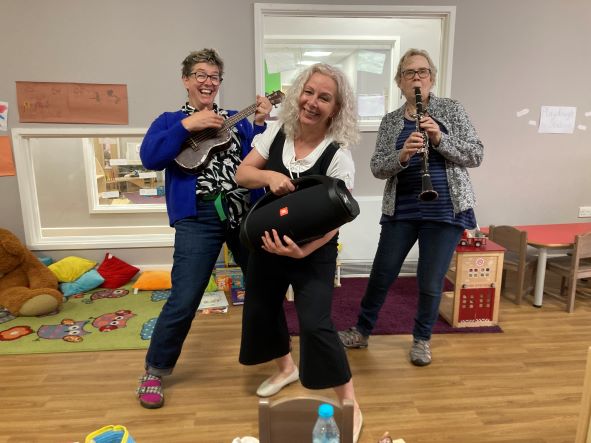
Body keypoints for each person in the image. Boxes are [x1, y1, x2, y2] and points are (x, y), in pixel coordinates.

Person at [136, 48, 272, 409]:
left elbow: (259, 155)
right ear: (186, 80)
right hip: (198, 217)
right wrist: (187, 126)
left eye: (214, 76)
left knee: (264, 286)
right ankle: (154, 370)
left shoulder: (235, 119)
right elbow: (150, 157)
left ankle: (279, 360)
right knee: (184, 298)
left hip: (245, 211)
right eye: (200, 74)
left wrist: (259, 123)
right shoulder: (168, 120)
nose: (208, 82)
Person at [236, 63, 363, 442]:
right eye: (309, 92)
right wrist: (270, 177)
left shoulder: (338, 156)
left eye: (325, 97)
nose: (312, 102)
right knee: (262, 307)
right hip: (266, 245)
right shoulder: (276, 132)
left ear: (336, 109)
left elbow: (336, 222)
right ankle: (285, 367)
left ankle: (350, 403)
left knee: (315, 323)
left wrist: (303, 251)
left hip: (313, 252)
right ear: (298, 94)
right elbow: (244, 174)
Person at [338, 48, 484, 367]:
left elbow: (476, 154)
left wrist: (440, 139)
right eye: (409, 73)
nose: (416, 78)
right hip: (402, 209)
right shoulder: (391, 121)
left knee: (429, 281)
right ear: (399, 82)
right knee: (381, 273)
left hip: (445, 210)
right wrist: (402, 154)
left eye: (422, 72)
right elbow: (378, 167)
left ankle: (421, 339)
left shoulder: (451, 110)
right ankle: (362, 331)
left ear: (431, 78)